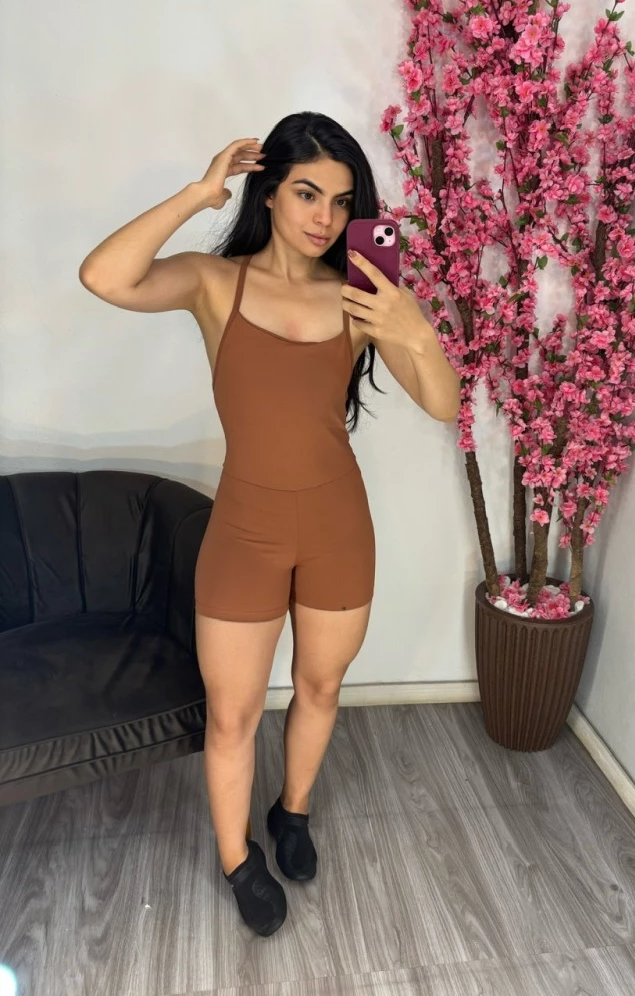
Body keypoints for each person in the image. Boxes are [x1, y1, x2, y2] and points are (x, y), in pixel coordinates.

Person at [79, 111, 461, 937]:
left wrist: (415, 329)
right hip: (245, 532)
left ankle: (294, 811)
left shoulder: (361, 296)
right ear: (270, 191)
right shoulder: (217, 285)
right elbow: (103, 276)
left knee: (321, 686)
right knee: (233, 713)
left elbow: (442, 403)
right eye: (306, 193)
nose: (324, 216)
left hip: (337, 526)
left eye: (342, 200)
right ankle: (237, 858)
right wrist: (198, 193)